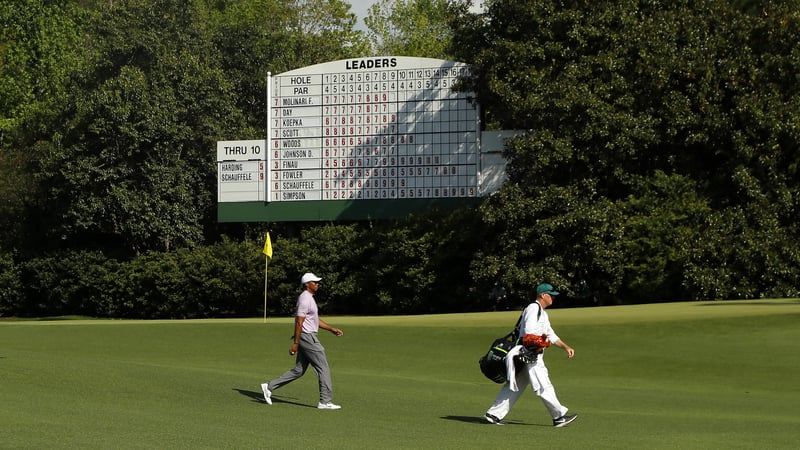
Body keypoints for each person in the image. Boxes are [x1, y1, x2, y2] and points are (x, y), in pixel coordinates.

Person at [484, 283, 577, 427]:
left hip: (530, 353)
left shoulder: (543, 313)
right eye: (551, 295)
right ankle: (558, 416)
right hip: (530, 354)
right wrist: (542, 343)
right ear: (543, 295)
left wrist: (566, 347)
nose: (553, 297)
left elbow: (551, 334)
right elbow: (529, 333)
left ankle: (493, 414)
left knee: (515, 385)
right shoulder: (533, 308)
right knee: (543, 384)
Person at [261, 272, 344, 410]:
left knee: (299, 370)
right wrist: (295, 343)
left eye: (317, 282)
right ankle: (325, 401)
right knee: (323, 367)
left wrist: (331, 329)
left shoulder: (309, 298)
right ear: (307, 284)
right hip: (307, 337)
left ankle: (269, 386)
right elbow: (299, 322)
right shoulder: (305, 299)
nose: (317, 284)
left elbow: (314, 321)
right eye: (314, 282)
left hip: (306, 336)